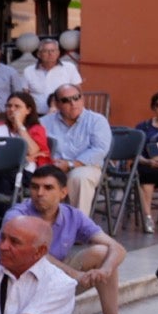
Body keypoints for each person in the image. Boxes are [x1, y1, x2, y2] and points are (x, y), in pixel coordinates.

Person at [0, 165, 146, 314]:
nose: (39, 193)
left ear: (63, 192)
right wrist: (75, 274)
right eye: (35, 187)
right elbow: (34, 257)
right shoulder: (17, 216)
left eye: (48, 188)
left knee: (103, 252)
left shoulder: (72, 215)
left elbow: (117, 247)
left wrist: (104, 271)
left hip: (53, 280)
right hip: (17, 284)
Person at [41, 83, 111, 216]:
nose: (73, 103)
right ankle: (46, 226)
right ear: (57, 104)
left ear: (82, 98)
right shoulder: (44, 122)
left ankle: (78, 226)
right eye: (66, 100)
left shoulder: (97, 120)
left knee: (78, 178)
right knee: (40, 177)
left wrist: (71, 164)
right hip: (53, 166)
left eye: (76, 97)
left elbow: (99, 149)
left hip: (87, 166)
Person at [20, 37, 81, 115]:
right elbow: (25, 96)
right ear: (39, 54)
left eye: (53, 50)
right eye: (46, 51)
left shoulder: (69, 67)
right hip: (38, 115)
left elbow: (78, 92)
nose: (50, 54)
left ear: (58, 53)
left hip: (64, 114)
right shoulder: (28, 71)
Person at [138, 89, 158, 234]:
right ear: (153, 107)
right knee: (146, 176)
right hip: (148, 165)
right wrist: (148, 162)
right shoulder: (143, 127)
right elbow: (136, 155)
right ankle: (147, 217)